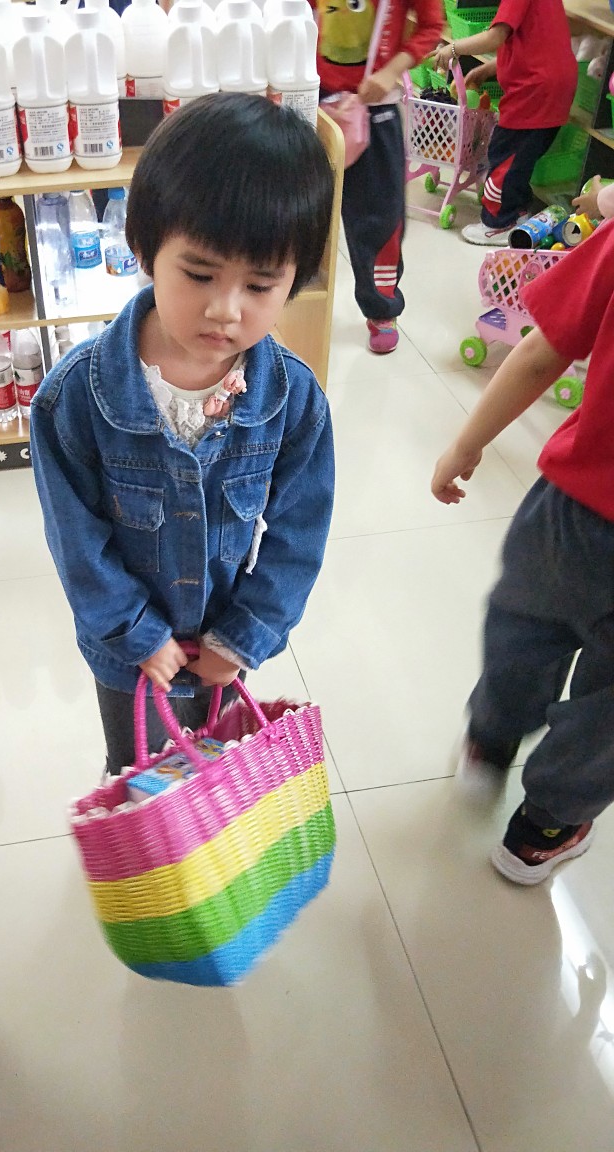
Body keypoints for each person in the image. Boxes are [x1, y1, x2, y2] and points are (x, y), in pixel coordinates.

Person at [31, 94, 335, 775]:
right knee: (140, 768)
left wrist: (246, 633)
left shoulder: (293, 399)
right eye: (199, 274)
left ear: (296, 281)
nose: (225, 310)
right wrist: (135, 632)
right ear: (143, 247)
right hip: (127, 653)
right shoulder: (75, 399)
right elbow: (76, 540)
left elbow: (300, 533)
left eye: (261, 285)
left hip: (226, 639)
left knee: (216, 767)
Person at [431, 220, 614, 885]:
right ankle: (546, 827)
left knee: (524, 629)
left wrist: (468, 442)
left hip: (572, 514)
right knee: (606, 714)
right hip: (577, 508)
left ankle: (492, 738)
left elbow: (544, 351)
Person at [312, 0, 443, 354]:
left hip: (376, 108)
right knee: (300, 212)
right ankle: (284, 299)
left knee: (381, 217)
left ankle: (381, 307)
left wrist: (390, 71)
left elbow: (432, 26)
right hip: (311, 100)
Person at [433, 0, 577, 246]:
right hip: (554, 86)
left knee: (505, 155)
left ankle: (498, 223)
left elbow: (496, 36)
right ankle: (518, 212)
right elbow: (531, 41)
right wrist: (489, 69)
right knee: (520, 157)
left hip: (534, 89)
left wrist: (453, 48)